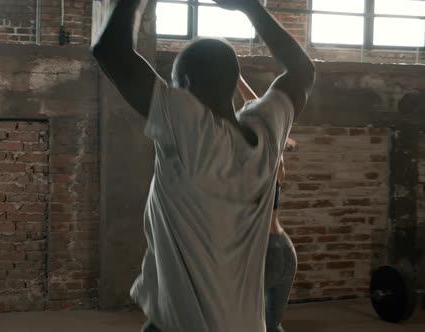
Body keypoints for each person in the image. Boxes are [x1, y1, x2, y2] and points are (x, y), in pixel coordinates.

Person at [92, 0, 315, 330]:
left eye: (175, 84)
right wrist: (250, 7)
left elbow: (111, 51)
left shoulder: (190, 129)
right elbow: (303, 72)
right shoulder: (265, 136)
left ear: (187, 86)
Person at [238, 75, 299, 332]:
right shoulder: (276, 160)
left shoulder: (243, 166)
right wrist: (238, 79)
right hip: (284, 248)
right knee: (272, 326)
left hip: (264, 253)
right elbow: (263, 114)